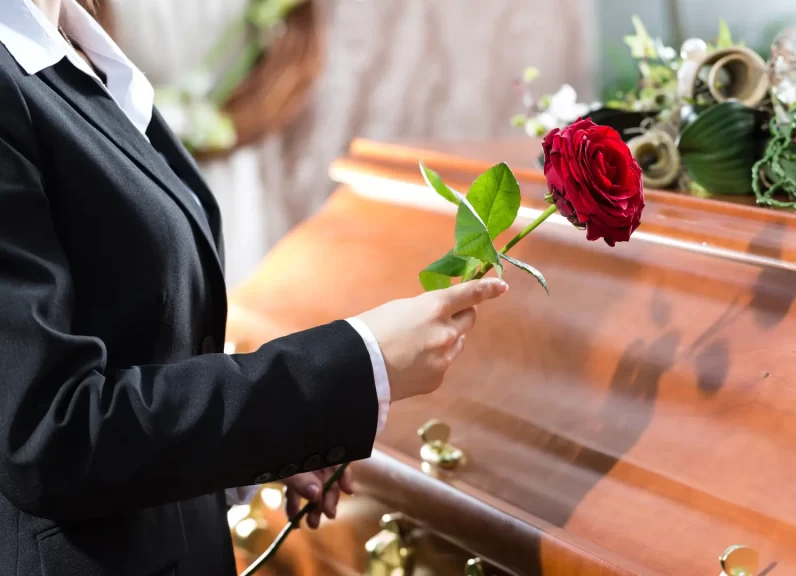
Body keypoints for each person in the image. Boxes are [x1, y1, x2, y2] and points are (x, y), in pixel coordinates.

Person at [0, 0, 508, 574]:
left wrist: (257, 447)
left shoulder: (72, 49)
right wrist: (354, 365)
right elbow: (49, 439)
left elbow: (137, 354)